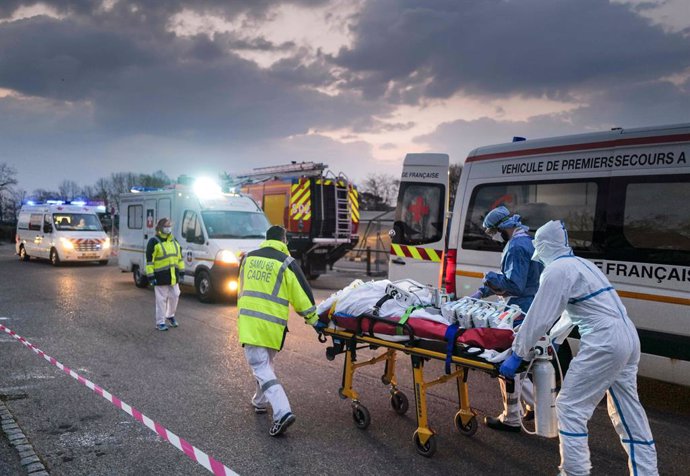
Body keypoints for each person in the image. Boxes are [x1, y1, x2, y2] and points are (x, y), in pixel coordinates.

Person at [500, 220, 658, 475]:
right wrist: (554, 339)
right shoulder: (582, 265)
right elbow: (572, 312)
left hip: (605, 341)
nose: (540, 261)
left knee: (570, 407)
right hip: (628, 336)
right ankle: (647, 472)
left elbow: (539, 314)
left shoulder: (557, 270)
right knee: (628, 411)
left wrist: (517, 354)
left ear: (545, 248)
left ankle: (574, 472)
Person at [237, 225, 326, 437]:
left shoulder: (248, 258)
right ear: (284, 241)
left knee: (261, 367)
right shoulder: (287, 263)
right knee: (265, 365)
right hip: (274, 327)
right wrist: (314, 321)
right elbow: (301, 296)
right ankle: (260, 401)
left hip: (251, 323)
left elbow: (241, 289)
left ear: (266, 239)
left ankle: (282, 412)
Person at [469, 206, 544, 432]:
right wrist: (483, 292)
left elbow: (514, 285)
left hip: (520, 309)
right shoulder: (528, 242)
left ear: (503, 227)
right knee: (519, 362)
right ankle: (524, 411)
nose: (495, 237)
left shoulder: (515, 247)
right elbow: (517, 279)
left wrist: (489, 280)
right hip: (531, 307)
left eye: (494, 232)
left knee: (508, 363)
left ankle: (522, 414)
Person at [146, 218, 184, 331]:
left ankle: (170, 315)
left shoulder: (174, 241)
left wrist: (181, 272)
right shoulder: (154, 241)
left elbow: (180, 259)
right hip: (160, 276)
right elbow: (149, 261)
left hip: (173, 276)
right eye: (167, 226)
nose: (169, 228)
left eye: (170, 225)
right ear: (161, 227)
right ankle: (160, 322)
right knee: (161, 300)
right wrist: (151, 276)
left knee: (175, 295)